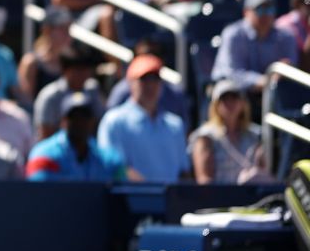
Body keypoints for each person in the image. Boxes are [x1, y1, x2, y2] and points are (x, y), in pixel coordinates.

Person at [97, 54, 190, 182]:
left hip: (171, 200)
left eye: (155, 79)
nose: (150, 85)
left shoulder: (175, 125)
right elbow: (111, 167)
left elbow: (183, 171)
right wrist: (146, 191)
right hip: (129, 200)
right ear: (130, 83)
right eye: (144, 79)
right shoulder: (114, 121)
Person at [25, 92, 128, 182]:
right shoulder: (43, 155)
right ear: (63, 121)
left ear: (93, 121)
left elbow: (121, 194)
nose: (80, 122)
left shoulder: (109, 159)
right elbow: (39, 196)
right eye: (74, 117)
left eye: (85, 117)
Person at [210, 0, 297, 90]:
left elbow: (293, 68)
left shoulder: (286, 36)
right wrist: (265, 81)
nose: (265, 15)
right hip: (234, 95)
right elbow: (232, 74)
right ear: (246, 12)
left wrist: (285, 69)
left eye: (270, 9)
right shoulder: (233, 34)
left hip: (271, 95)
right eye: (260, 9)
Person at [190, 79, 269, 184]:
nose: (230, 103)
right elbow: (204, 180)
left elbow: (263, 171)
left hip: (251, 197)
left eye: (234, 97)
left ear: (243, 103)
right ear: (215, 105)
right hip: (218, 197)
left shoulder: (256, 135)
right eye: (224, 99)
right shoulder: (205, 136)